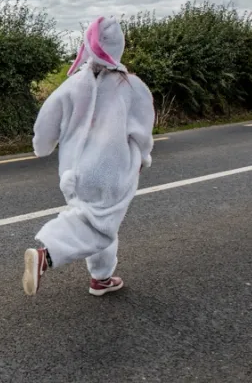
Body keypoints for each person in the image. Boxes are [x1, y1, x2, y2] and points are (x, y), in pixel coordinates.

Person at [22, 15, 155, 297]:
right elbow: (142, 130)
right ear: (119, 47)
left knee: (96, 217)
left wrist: (42, 147)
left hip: (73, 172)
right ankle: (47, 253)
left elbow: (46, 123)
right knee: (100, 225)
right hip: (111, 169)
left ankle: (101, 278)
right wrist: (143, 157)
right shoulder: (131, 86)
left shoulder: (70, 85)